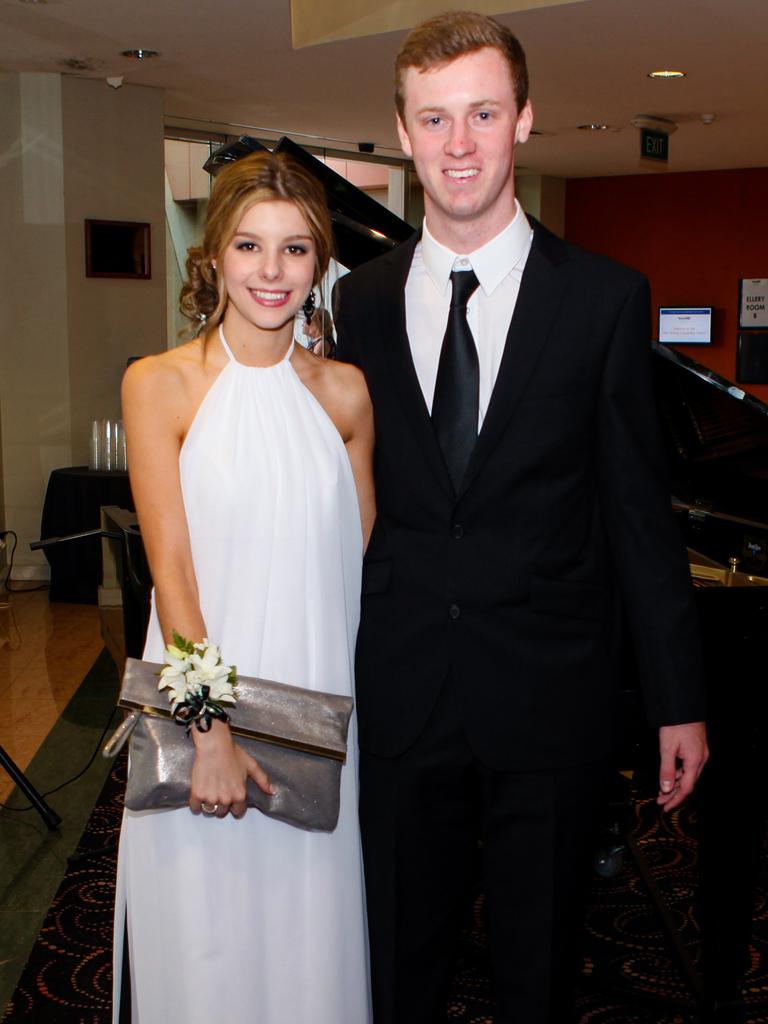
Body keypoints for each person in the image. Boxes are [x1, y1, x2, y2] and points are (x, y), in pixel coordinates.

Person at [334, 11, 708, 1024]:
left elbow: (639, 511)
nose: (460, 143)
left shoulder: (601, 300)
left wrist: (677, 698)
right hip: (403, 690)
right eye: (437, 118)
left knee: (537, 973)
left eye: (483, 113)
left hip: (551, 697)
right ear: (403, 132)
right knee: (397, 962)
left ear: (524, 120)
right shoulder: (358, 304)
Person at [113, 151, 375, 1023]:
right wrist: (212, 729)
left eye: (295, 250)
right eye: (250, 246)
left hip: (314, 715)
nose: (272, 272)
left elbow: (359, 553)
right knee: (208, 939)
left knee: (306, 939)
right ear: (214, 256)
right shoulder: (161, 383)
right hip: (204, 717)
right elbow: (172, 571)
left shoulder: (345, 395)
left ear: (319, 264)